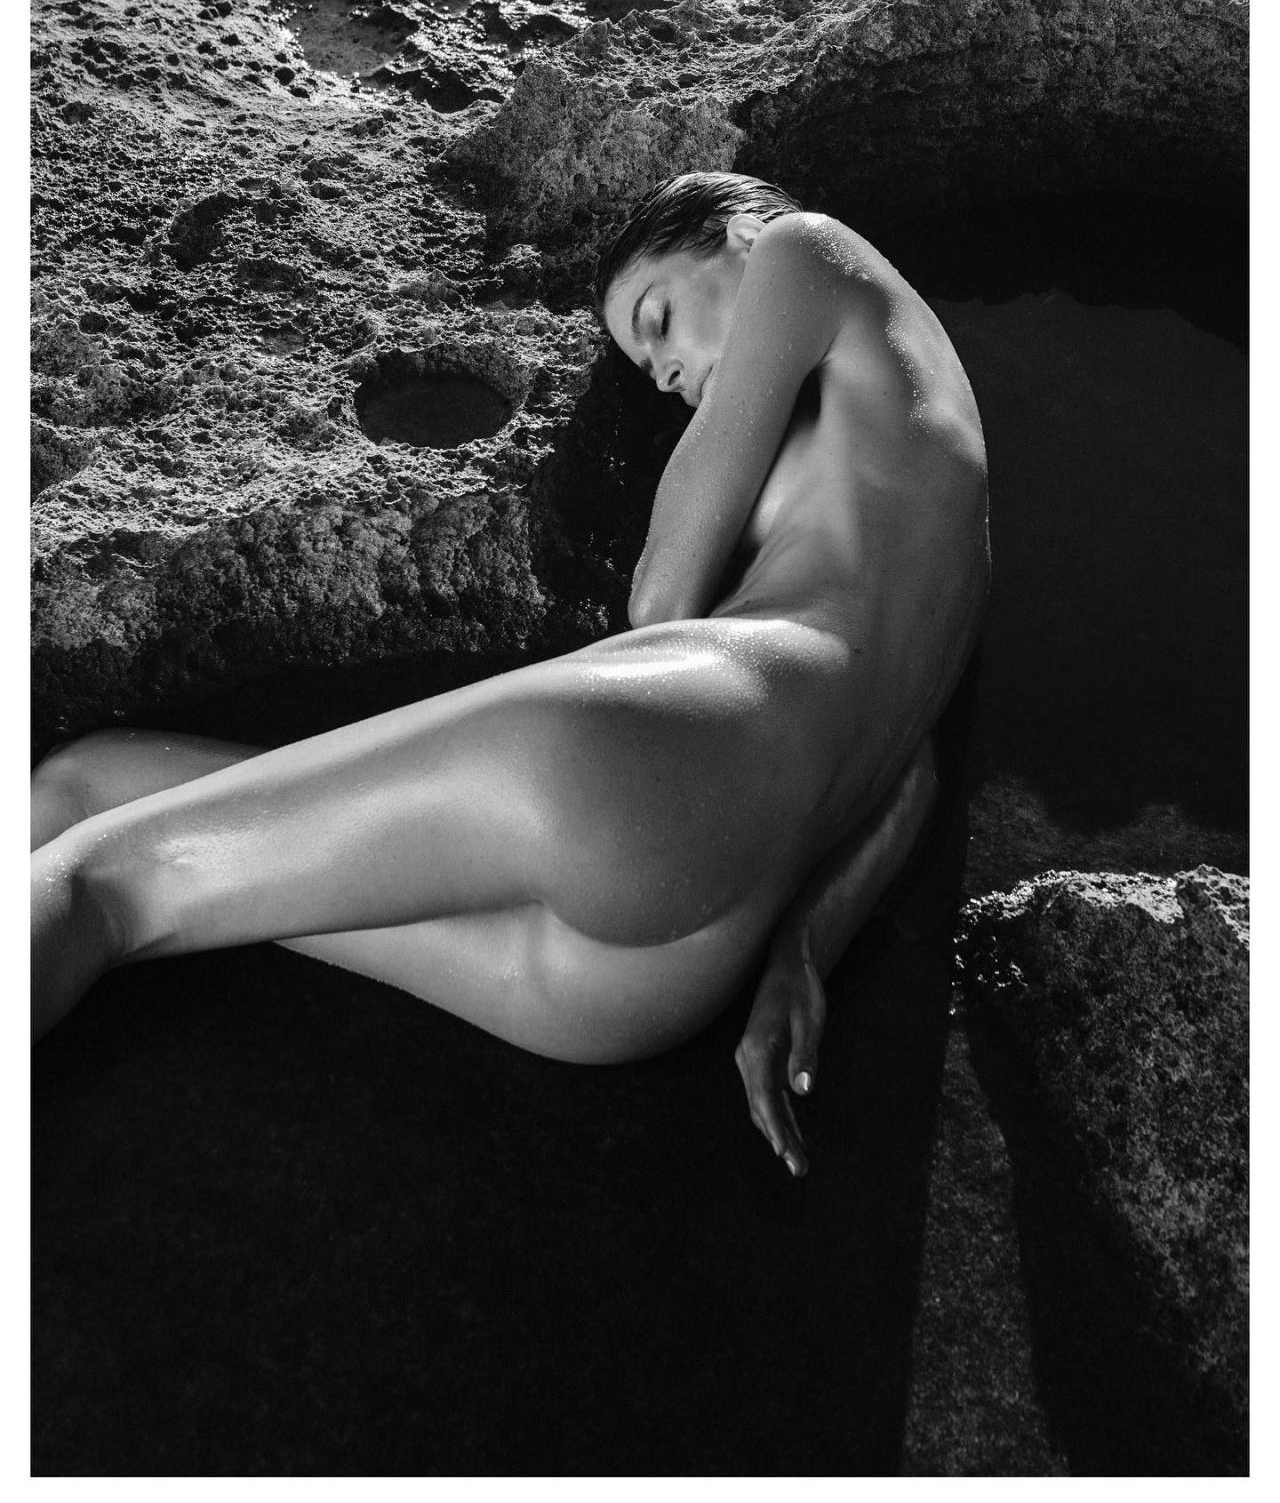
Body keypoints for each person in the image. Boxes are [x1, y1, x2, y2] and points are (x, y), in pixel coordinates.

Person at [31, 172, 988, 1177]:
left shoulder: (801, 248)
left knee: (108, 885)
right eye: (647, 362)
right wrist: (801, 955)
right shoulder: (946, 512)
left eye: (658, 320)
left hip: (644, 767)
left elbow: (661, 602)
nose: (665, 374)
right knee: (91, 783)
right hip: (665, 976)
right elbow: (912, 770)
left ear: (741, 228)